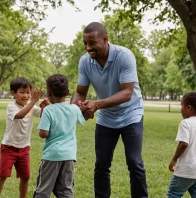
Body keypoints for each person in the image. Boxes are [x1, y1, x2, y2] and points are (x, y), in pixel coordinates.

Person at [70, 22, 147, 198]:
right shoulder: (85, 61)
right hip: (106, 117)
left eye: (92, 43)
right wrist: (76, 109)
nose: (88, 48)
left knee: (134, 162)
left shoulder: (124, 56)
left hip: (131, 114)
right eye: (85, 44)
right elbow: (80, 92)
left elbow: (127, 92)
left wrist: (96, 104)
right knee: (102, 164)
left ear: (105, 40)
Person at [0, 77, 49, 198]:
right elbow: (20, 115)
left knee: (25, 177)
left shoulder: (32, 108)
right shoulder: (11, 107)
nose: (26, 95)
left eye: (28, 92)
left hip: (24, 149)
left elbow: (43, 114)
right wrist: (33, 101)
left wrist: (43, 106)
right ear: (13, 93)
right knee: (3, 175)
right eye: (22, 92)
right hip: (8, 148)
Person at [34, 74, 85, 198]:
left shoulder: (48, 110)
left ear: (48, 93)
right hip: (69, 156)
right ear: (67, 92)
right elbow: (82, 119)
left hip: (52, 155)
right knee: (66, 190)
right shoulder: (74, 109)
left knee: (44, 189)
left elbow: (44, 133)